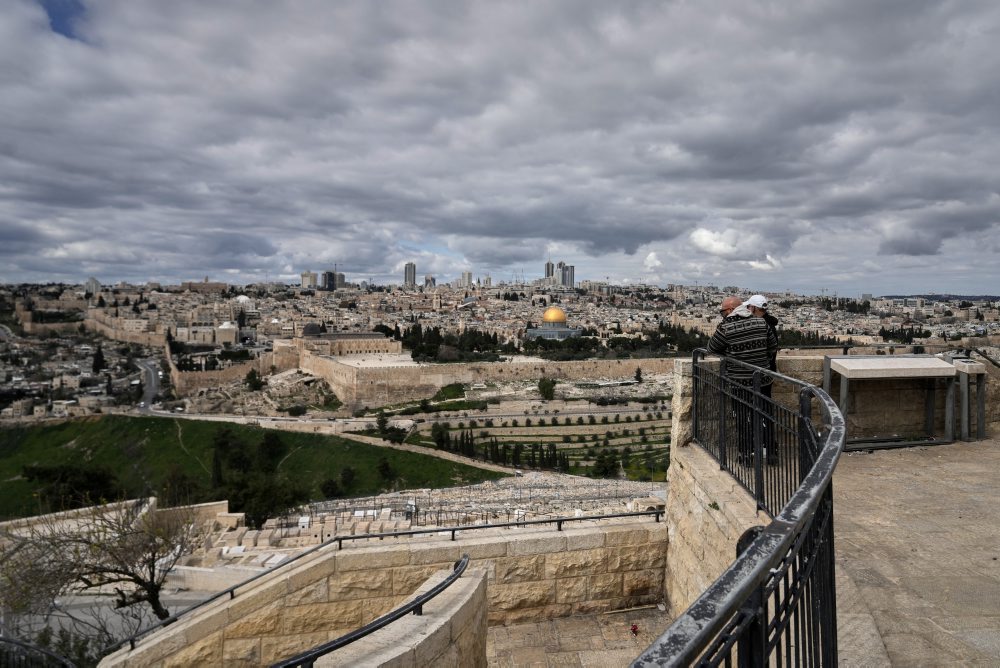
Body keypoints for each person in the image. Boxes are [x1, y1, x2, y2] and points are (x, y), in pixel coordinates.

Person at [708, 296, 778, 465]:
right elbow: (773, 346)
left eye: (722, 311)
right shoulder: (761, 323)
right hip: (763, 379)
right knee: (765, 415)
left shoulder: (726, 327)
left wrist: (731, 354)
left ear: (730, 310)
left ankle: (745, 455)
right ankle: (771, 455)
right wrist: (761, 362)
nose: (721, 314)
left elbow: (711, 348)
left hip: (739, 380)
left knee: (742, 418)